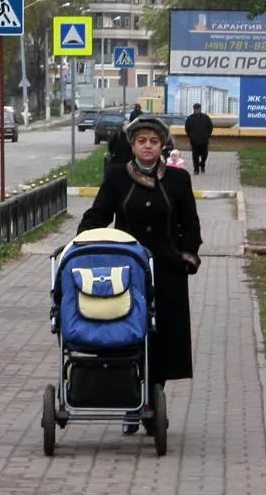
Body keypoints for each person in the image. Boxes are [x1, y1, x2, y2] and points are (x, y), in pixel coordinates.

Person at [77, 117, 202, 435]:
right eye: (142, 141)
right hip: (126, 270)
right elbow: (100, 214)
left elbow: (190, 223)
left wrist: (186, 254)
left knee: (161, 338)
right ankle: (131, 402)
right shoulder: (117, 176)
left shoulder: (177, 180)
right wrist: (81, 242)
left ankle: (152, 402)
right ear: (132, 146)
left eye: (154, 141)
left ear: (162, 146)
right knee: (126, 334)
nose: (148, 146)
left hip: (166, 271)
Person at [184, 103, 214, 175]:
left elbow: (210, 127)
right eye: (195, 109)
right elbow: (187, 129)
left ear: (200, 109)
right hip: (194, 141)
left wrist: (208, 135)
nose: (197, 110)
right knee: (195, 155)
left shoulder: (205, 117)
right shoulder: (190, 118)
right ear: (193, 109)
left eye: (198, 109)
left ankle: (202, 164)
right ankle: (196, 169)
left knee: (205, 154)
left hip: (204, 140)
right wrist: (190, 136)